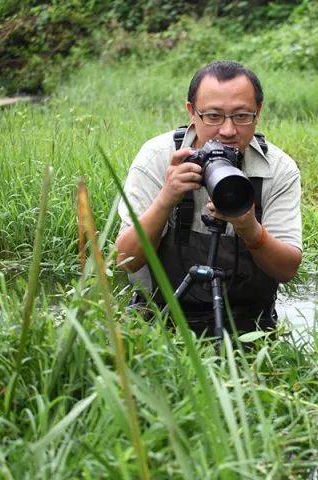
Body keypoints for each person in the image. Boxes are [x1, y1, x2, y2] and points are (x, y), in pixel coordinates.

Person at [115, 60, 302, 335]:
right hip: (158, 320)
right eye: (213, 116)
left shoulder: (277, 169)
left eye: (241, 116)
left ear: (258, 112)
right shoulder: (158, 157)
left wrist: (250, 229)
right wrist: (166, 199)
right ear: (192, 112)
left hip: (250, 325)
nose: (227, 131)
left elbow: (287, 269)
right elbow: (125, 259)